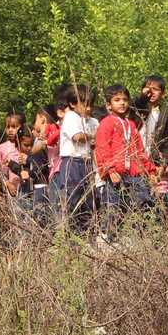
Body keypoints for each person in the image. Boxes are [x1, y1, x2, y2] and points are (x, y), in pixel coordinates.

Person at [95, 84, 157, 222]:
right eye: (117, 100)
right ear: (109, 105)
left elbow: (140, 150)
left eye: (124, 99)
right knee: (113, 208)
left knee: (143, 203)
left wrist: (150, 171)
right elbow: (102, 148)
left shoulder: (131, 124)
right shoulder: (106, 123)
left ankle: (140, 237)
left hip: (134, 174)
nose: (122, 103)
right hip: (115, 174)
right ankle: (110, 237)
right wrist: (110, 169)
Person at [55, 85, 97, 230]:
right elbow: (78, 137)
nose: (89, 109)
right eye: (85, 104)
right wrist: (92, 136)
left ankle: (85, 233)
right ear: (73, 104)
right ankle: (69, 235)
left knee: (88, 200)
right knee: (72, 199)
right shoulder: (71, 117)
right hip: (73, 162)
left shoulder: (92, 121)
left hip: (87, 163)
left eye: (91, 105)